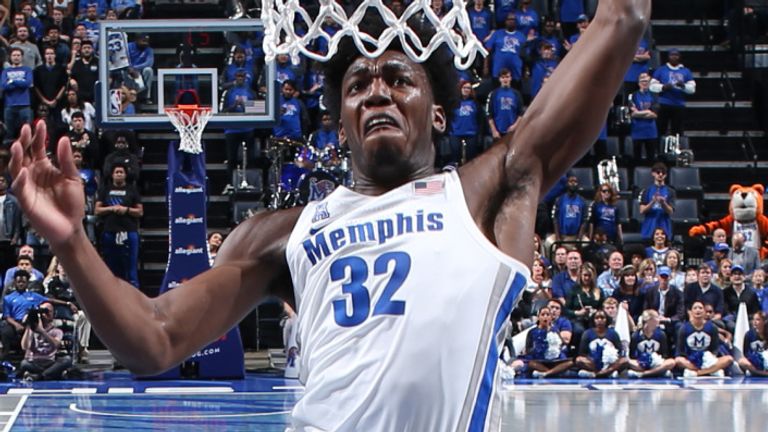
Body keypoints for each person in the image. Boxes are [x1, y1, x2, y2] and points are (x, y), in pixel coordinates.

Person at [8, 3, 651, 427]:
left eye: (399, 77)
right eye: (357, 85)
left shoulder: (488, 190)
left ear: (436, 111)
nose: (376, 89)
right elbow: (154, 338)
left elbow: (621, 20)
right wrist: (71, 244)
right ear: (340, 122)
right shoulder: (281, 235)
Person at [94, 164, 143, 288]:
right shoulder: (105, 190)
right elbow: (97, 210)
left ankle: (133, 292)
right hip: (110, 232)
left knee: (130, 266)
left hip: (128, 231)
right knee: (111, 265)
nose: (119, 174)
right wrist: (112, 208)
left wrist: (126, 209)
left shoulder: (132, 190)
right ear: (112, 175)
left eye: (121, 172)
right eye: (117, 172)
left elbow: (140, 212)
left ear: (125, 175)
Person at [675, 301, 733, 377]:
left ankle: (699, 373)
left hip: (708, 359)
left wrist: (708, 359)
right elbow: (680, 351)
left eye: (700, 308)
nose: (698, 310)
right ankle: (710, 371)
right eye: (695, 308)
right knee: (678, 360)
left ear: (704, 312)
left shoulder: (712, 327)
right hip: (691, 360)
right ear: (691, 312)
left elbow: (714, 349)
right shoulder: (684, 328)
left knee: (729, 359)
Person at [18, 301, 72, 380]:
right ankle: (50, 374)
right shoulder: (31, 330)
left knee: (67, 360)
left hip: (50, 361)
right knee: (24, 364)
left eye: (48, 312)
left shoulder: (57, 331)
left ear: (53, 314)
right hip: (34, 362)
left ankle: (40, 376)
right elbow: (24, 347)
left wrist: (42, 331)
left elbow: (56, 345)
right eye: (43, 311)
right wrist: (30, 325)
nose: (46, 314)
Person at [650, 49, 696, 137]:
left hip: (679, 104)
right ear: (668, 57)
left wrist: (683, 86)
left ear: (679, 57)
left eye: (676, 55)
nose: (674, 57)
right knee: (660, 129)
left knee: (678, 131)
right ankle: (659, 148)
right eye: (672, 55)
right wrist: (663, 87)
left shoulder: (686, 71)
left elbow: (692, 89)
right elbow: (652, 86)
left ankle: (676, 148)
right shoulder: (661, 70)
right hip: (664, 104)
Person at [574, 309, 628, 378]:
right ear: (593, 320)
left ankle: (602, 373)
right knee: (579, 360)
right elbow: (582, 353)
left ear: (607, 319)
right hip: (592, 363)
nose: (599, 320)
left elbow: (619, 352)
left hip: (610, 364)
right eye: (597, 318)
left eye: (602, 318)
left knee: (625, 360)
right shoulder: (587, 333)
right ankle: (603, 373)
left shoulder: (613, 333)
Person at [524, 306, 573, 378]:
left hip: (556, 360)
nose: (545, 317)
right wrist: (537, 349)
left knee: (571, 362)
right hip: (540, 360)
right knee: (531, 363)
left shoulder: (555, 330)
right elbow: (528, 349)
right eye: (543, 315)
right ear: (538, 317)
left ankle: (547, 373)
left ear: (551, 317)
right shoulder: (532, 332)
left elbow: (562, 345)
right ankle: (554, 372)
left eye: (548, 315)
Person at [627, 309, 675, 378]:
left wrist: (656, 361)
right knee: (628, 361)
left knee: (671, 362)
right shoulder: (636, 336)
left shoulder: (661, 334)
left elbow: (664, 354)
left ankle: (645, 374)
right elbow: (632, 356)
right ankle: (655, 372)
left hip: (657, 364)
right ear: (649, 320)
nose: (659, 320)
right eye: (657, 318)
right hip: (641, 364)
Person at [643, 265, 685, 344]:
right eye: (662, 277)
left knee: (679, 326)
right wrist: (654, 318)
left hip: (670, 321)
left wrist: (668, 319)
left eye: (666, 277)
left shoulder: (677, 293)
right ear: (657, 277)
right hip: (654, 319)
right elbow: (646, 309)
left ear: (670, 278)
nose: (664, 280)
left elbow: (680, 313)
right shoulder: (650, 291)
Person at [1, 48, 34, 145]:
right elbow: (3, 86)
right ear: (10, 57)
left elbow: (28, 83)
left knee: (26, 132)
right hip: (9, 105)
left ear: (22, 57)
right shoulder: (5, 71)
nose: (16, 57)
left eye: (18, 55)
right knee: (9, 134)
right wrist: (20, 82)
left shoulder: (27, 70)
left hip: (25, 105)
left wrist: (12, 81)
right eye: (14, 55)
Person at [638, 162, 675, 241]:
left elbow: (671, 211)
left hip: (664, 227)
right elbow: (642, 210)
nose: (660, 174)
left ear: (666, 175)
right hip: (649, 227)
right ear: (653, 173)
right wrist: (653, 201)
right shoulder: (646, 191)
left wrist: (663, 203)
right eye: (658, 172)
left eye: (663, 173)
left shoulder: (670, 191)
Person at [628, 72, 658, 163]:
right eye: (642, 81)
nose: (645, 83)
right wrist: (647, 111)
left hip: (651, 132)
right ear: (638, 83)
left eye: (647, 81)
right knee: (636, 160)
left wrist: (639, 113)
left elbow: (654, 114)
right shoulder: (632, 96)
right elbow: (632, 114)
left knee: (651, 159)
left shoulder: (654, 95)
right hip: (637, 131)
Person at [737, 311, 768, 377]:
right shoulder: (749, 334)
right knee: (741, 361)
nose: (755, 322)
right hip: (755, 363)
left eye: (758, 319)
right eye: (754, 319)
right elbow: (746, 353)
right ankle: (762, 373)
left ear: (764, 321)